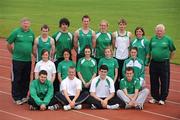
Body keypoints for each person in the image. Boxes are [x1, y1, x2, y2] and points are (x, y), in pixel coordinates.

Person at [6, 17, 35, 105]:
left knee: (26, 79)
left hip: (28, 60)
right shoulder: (16, 32)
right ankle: (16, 97)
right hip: (17, 60)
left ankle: (23, 96)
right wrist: (13, 53)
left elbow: (33, 45)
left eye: (27, 23)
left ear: (29, 24)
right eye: (24, 23)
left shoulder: (31, 33)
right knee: (17, 79)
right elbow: (8, 44)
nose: (26, 25)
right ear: (21, 24)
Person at [149, 24, 176, 105]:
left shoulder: (168, 39)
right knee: (153, 80)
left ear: (164, 31)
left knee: (164, 81)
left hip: (164, 63)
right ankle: (155, 97)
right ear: (155, 31)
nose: (159, 32)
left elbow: (173, 50)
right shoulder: (153, 39)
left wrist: (169, 60)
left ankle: (163, 98)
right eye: (158, 30)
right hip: (154, 62)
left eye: (161, 30)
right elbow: (150, 50)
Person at [52, 17, 73, 93]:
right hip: (58, 58)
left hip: (67, 58)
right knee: (58, 76)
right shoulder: (56, 35)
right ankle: (56, 92)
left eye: (66, 25)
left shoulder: (71, 35)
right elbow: (52, 46)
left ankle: (69, 92)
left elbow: (72, 46)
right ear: (60, 25)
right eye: (63, 24)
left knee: (69, 75)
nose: (64, 26)